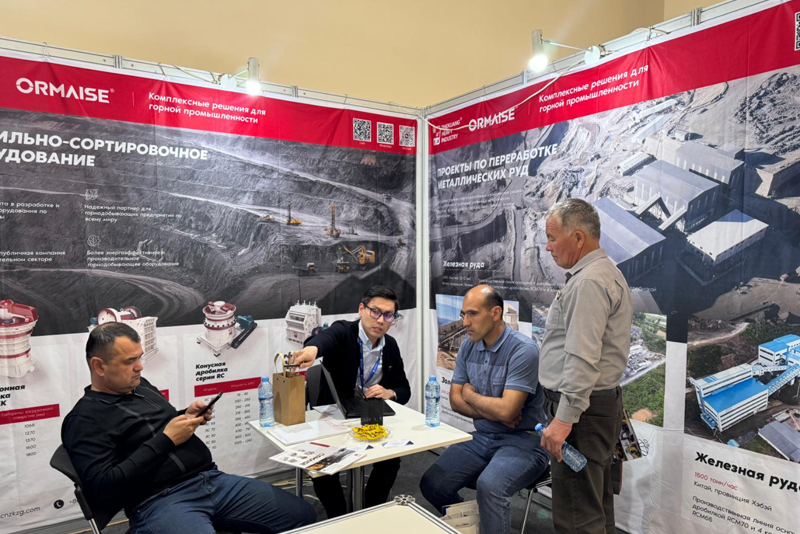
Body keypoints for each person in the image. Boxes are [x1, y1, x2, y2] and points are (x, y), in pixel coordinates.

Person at [62, 322, 315, 534]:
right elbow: (103, 488)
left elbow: (154, 428)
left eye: (139, 357)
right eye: (130, 361)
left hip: (211, 481)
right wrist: (167, 439)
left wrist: (186, 416)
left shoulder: (140, 386)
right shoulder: (84, 420)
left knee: (302, 515)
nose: (140, 366)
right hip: (158, 501)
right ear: (99, 366)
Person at [419, 285, 549, 534]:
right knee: (432, 483)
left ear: (495, 313)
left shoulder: (523, 350)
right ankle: (477, 526)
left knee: (491, 487)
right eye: (463, 314)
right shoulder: (469, 346)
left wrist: (471, 395)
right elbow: (456, 401)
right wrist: (494, 411)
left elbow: (505, 411)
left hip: (525, 442)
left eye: (473, 314)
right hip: (483, 436)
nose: (465, 322)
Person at [538, 198, 633, 534]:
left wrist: (563, 420)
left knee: (577, 515)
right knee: (593, 506)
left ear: (578, 238)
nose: (548, 247)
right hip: (591, 410)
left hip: (581, 415)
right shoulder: (601, 274)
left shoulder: (589, 282)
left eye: (552, 238)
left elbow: (582, 358)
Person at [291, 285, 411, 518]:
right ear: (361, 309)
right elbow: (325, 338)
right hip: (334, 415)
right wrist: (312, 350)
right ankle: (341, 518)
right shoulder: (345, 331)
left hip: (370, 417)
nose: (381, 320)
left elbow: (404, 389)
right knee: (323, 467)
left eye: (388, 315)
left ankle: (370, 511)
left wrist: (390, 393)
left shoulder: (390, 346)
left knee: (390, 461)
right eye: (375, 312)